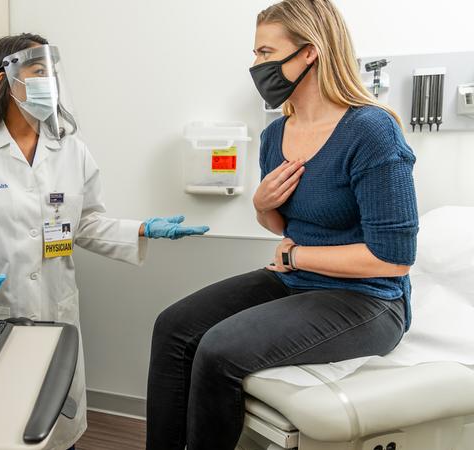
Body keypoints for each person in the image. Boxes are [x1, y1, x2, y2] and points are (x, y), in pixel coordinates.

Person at [145, 1, 419, 449]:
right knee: (173, 327)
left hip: (368, 300)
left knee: (218, 350)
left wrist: (295, 255)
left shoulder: (370, 130)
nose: (255, 66)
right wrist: (260, 205)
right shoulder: (277, 134)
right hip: (297, 281)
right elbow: (283, 224)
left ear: (308, 53)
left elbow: (393, 258)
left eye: (265, 53)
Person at [0, 33, 208, 449]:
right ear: (6, 79)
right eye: (38, 72)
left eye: (51, 72)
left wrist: (143, 229)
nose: (48, 81)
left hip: (54, 309)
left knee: (53, 425)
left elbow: (84, 223)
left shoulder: (72, 151)